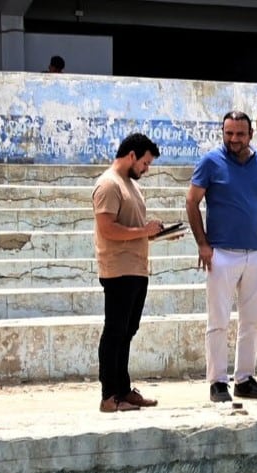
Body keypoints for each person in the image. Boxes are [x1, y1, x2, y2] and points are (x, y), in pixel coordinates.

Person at [186, 110, 257, 403]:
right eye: (229, 133)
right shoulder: (210, 161)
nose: (234, 139)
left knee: (252, 320)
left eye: (240, 134)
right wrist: (203, 244)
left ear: (250, 135)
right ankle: (217, 381)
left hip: (256, 252)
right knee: (218, 321)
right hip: (221, 254)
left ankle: (244, 378)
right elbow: (192, 202)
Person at [92, 132, 163, 413]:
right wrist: (143, 231)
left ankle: (123, 389)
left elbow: (133, 230)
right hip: (118, 270)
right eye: (144, 163)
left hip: (136, 268)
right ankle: (109, 395)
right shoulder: (109, 185)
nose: (146, 169)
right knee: (115, 332)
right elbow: (107, 229)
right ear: (132, 155)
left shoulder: (130, 185)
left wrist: (155, 234)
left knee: (127, 331)